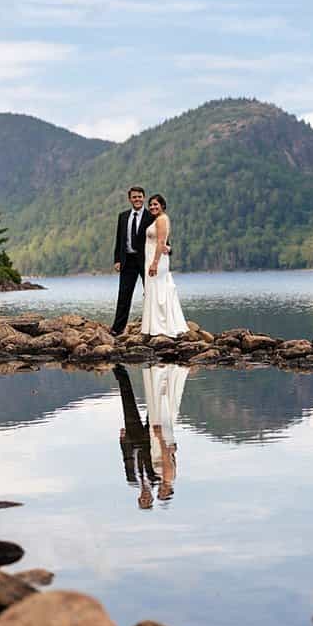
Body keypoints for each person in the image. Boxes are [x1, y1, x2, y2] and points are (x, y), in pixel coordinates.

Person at [138, 193, 188, 338]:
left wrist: (154, 263)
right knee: (154, 289)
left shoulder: (161, 220)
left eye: (156, 204)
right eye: (151, 204)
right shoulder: (157, 219)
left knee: (159, 291)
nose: (153, 207)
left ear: (162, 206)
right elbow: (164, 243)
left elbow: (161, 243)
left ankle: (161, 326)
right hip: (153, 258)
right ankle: (154, 326)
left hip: (157, 260)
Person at [113, 367, 157, 509]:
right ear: (151, 498)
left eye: (143, 501)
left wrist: (122, 441)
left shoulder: (131, 479)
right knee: (154, 404)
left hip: (132, 440)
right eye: (148, 500)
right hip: (149, 441)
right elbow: (163, 458)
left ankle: (118, 369)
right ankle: (154, 371)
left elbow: (126, 459)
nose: (145, 498)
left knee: (127, 402)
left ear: (138, 498)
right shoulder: (156, 478)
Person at [110, 186, 153, 330]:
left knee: (151, 292)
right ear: (130, 199)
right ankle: (117, 328)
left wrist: (167, 249)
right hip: (127, 260)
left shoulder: (151, 216)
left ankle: (154, 326)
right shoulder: (123, 216)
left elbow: (160, 238)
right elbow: (119, 240)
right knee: (124, 295)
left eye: (140, 196)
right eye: (134, 197)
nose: (137, 199)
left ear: (144, 198)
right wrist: (117, 259)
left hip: (146, 261)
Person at [145, 363, 187, 503]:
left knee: (162, 410)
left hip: (162, 442)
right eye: (163, 492)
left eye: (159, 493)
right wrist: (160, 437)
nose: (160, 490)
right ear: (169, 490)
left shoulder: (166, 477)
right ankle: (160, 374)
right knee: (160, 410)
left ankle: (161, 374)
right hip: (162, 441)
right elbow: (166, 456)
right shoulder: (168, 477)